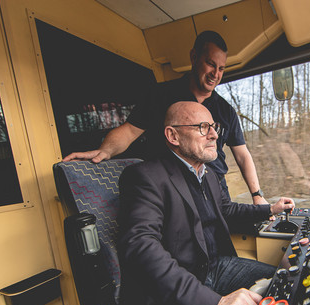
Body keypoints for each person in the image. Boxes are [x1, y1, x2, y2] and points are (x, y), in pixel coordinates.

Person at [117, 101, 294, 305]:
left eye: (214, 127)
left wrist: (269, 209)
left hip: (218, 266)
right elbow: (139, 244)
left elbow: (226, 210)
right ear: (173, 136)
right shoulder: (145, 177)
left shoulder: (209, 174)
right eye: (203, 127)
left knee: (285, 284)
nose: (214, 134)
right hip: (185, 284)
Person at [63, 30, 268, 205]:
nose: (216, 73)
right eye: (210, 64)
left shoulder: (226, 110)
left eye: (221, 68)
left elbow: (242, 155)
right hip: (171, 190)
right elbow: (129, 131)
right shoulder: (161, 95)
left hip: (215, 191)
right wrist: (103, 151)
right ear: (194, 57)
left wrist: (257, 196)